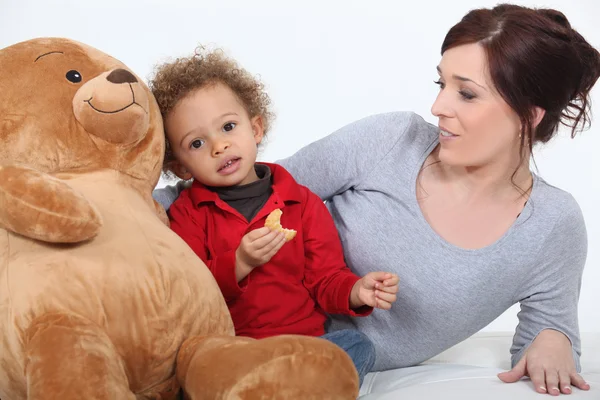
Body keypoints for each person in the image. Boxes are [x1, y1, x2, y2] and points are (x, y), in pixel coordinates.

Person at [154, 4, 600, 395]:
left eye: (465, 92)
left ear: (529, 115)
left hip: (333, 359)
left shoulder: (553, 224)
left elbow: (552, 324)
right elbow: (243, 187)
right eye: (440, 83)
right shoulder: (392, 139)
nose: (438, 106)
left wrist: (551, 339)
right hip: (242, 323)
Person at [149, 48, 400, 385]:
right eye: (196, 143)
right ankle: (278, 387)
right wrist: (239, 262)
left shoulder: (302, 203)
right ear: (179, 166)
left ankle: (289, 386)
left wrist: (357, 291)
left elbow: (325, 278)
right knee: (192, 363)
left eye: (228, 126)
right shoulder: (188, 215)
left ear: (255, 128)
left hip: (303, 344)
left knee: (358, 346)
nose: (219, 146)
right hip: (235, 349)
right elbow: (191, 292)